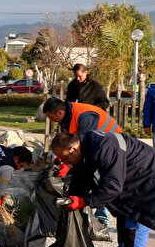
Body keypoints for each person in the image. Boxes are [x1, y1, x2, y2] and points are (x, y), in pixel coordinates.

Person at [41, 96, 120, 235]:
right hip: (99, 149)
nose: (52, 121)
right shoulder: (66, 119)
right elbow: (69, 143)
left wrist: (68, 165)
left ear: (59, 112)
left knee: (100, 181)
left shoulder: (84, 116)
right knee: (85, 176)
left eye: (52, 118)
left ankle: (102, 219)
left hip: (113, 148)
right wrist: (62, 160)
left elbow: (82, 147)